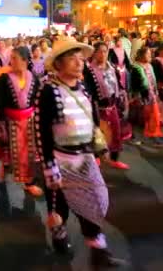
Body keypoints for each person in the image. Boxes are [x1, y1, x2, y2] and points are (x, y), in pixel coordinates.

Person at [36, 39, 123, 267]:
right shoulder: (49, 91)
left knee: (95, 201)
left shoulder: (83, 88)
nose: (79, 63)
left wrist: (99, 145)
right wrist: (49, 167)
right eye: (72, 58)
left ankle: (98, 252)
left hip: (84, 159)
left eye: (81, 58)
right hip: (60, 161)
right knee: (60, 209)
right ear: (59, 64)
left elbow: (91, 120)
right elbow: (42, 132)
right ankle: (60, 237)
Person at [0, 47, 43, 197]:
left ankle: (29, 183)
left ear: (25, 61)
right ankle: (5, 165)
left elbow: (37, 100)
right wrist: (0, 125)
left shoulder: (34, 78)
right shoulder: (4, 79)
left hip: (29, 122)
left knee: (30, 154)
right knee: (9, 151)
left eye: (15, 58)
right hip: (10, 123)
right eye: (11, 57)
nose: (11, 61)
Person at [84, 42, 129, 170]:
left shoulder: (112, 68)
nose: (103, 54)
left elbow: (119, 86)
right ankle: (97, 157)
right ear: (94, 53)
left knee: (116, 133)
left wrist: (123, 100)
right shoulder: (89, 71)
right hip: (98, 109)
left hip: (112, 107)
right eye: (100, 51)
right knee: (98, 135)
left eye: (105, 51)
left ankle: (114, 159)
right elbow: (88, 91)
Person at [131, 47, 163, 146]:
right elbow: (133, 85)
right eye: (147, 54)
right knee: (139, 118)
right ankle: (135, 137)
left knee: (153, 117)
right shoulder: (136, 67)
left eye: (150, 54)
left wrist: (156, 93)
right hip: (141, 97)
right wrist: (136, 97)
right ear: (141, 55)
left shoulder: (149, 66)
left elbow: (153, 81)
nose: (150, 56)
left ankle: (153, 137)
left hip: (151, 96)